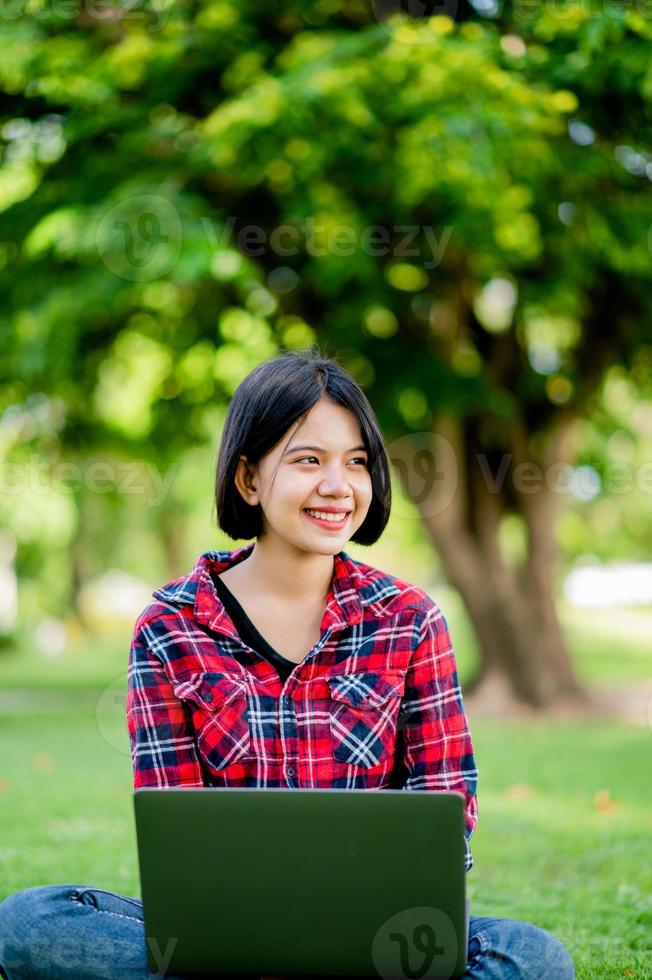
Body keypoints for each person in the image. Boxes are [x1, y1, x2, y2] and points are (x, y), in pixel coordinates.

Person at [0, 348, 575, 979]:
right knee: (29, 923)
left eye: (356, 463)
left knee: (532, 957)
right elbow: (177, 832)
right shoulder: (169, 628)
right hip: (224, 932)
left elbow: (445, 807)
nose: (338, 486)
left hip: (378, 934)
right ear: (248, 478)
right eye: (308, 461)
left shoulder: (410, 621)